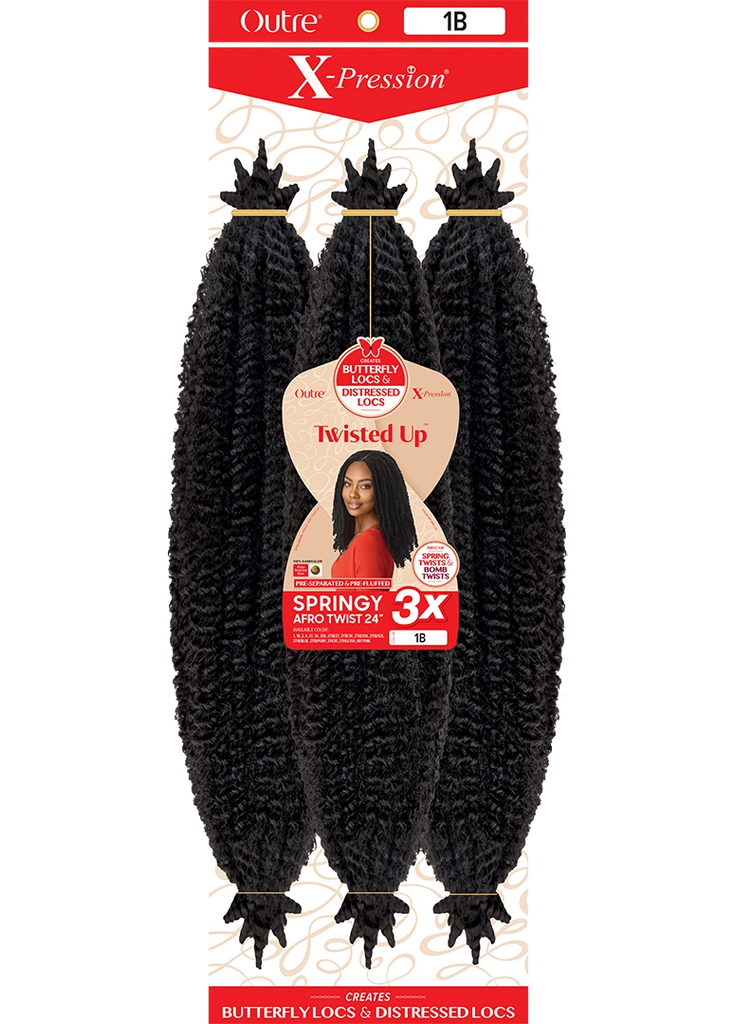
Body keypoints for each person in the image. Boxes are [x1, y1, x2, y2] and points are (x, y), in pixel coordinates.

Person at [331, 449, 417, 580]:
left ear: (383, 491)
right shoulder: (361, 537)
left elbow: (370, 595)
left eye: (365, 486)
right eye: (347, 484)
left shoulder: (369, 542)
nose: (352, 494)